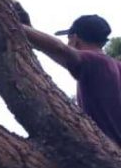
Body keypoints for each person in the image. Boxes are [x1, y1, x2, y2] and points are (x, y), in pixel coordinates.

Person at [21, 14, 121, 145]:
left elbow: (60, 49)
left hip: (110, 152)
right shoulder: (113, 65)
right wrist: (32, 33)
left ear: (74, 39)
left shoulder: (94, 61)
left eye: (68, 40)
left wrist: (16, 25)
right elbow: (59, 53)